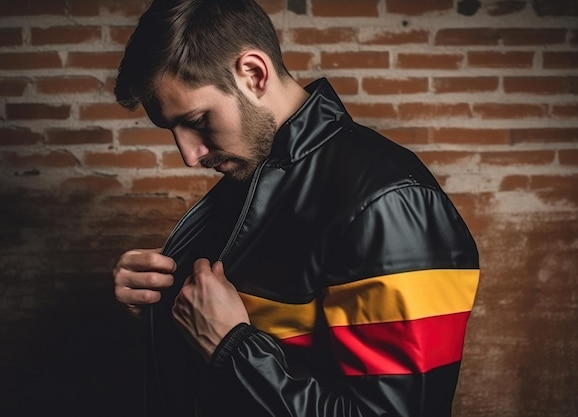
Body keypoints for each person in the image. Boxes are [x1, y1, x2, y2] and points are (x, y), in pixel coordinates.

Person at [112, 0, 480, 416]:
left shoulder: (390, 202)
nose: (189, 155)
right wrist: (159, 305)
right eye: (172, 130)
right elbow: (229, 349)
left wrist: (234, 348)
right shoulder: (250, 177)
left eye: (197, 120)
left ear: (253, 74)